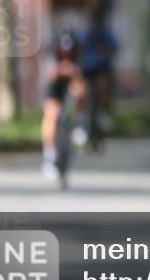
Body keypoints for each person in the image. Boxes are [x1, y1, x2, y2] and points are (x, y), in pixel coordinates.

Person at [41, 28, 87, 179]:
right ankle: (50, 156)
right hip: (55, 87)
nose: (66, 54)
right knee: (52, 113)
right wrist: (58, 72)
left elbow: (82, 84)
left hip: (72, 83)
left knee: (81, 91)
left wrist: (74, 74)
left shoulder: (78, 54)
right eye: (63, 51)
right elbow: (49, 78)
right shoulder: (51, 54)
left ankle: (80, 124)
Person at [81, 12, 118, 132]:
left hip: (101, 68)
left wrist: (107, 52)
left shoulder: (106, 35)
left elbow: (115, 47)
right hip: (86, 69)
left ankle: (103, 113)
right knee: (82, 91)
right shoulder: (84, 35)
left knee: (103, 86)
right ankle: (82, 119)